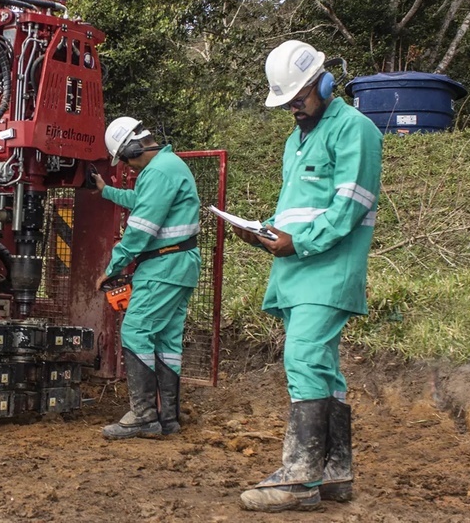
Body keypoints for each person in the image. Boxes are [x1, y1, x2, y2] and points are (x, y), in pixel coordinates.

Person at [235, 40, 383, 513]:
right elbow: (297, 209)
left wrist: (298, 242)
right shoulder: (294, 141)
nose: (294, 109)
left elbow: (349, 206)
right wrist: (262, 231)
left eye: (298, 98)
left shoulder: (354, 129)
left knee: (302, 358)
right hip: (297, 272)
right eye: (287, 103)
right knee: (323, 367)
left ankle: (300, 478)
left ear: (323, 83)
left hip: (328, 269)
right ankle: (335, 473)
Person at [91, 117, 201, 440]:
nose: (129, 167)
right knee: (165, 340)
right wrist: (107, 191)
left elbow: (140, 229)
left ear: (133, 149)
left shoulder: (158, 172)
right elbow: (142, 202)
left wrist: (113, 267)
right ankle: (167, 417)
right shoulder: (168, 166)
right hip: (179, 264)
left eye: (125, 161)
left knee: (135, 330)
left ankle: (143, 417)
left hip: (163, 266)